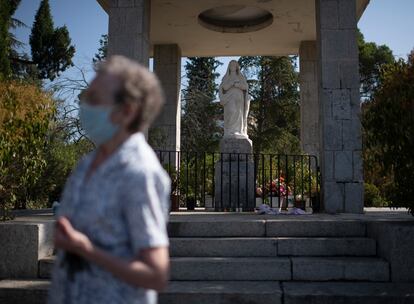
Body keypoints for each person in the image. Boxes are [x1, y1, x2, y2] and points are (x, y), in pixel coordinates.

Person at [48, 55, 171, 304]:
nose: (84, 106)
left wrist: (87, 250)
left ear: (126, 111)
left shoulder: (140, 173)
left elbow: (156, 275)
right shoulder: (86, 164)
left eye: (94, 100)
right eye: (85, 98)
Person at [218, 60, 250, 138]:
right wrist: (231, 84)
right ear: (229, 67)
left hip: (239, 97)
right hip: (229, 97)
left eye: (234, 65)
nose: (233, 67)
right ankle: (230, 131)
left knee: (239, 113)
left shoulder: (240, 77)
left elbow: (245, 87)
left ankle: (238, 130)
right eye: (231, 65)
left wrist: (237, 85)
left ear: (237, 67)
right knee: (231, 111)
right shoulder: (226, 77)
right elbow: (224, 87)